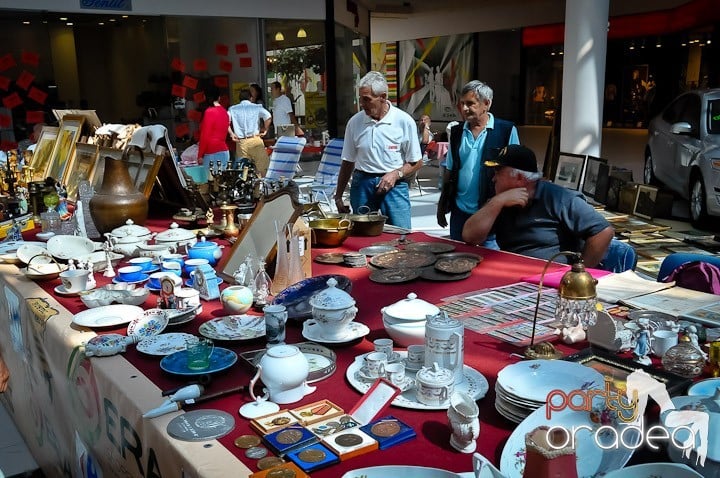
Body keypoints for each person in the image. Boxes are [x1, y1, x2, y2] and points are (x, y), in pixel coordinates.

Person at [462, 145, 614, 267]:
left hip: (550, 279)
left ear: (520, 178)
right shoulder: (500, 200)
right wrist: (496, 203)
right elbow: (469, 237)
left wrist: (580, 272)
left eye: (498, 173)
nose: (493, 179)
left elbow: (603, 232)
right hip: (512, 274)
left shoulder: (559, 198)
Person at [333, 71, 422, 229]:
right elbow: (347, 161)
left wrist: (397, 174)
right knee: (361, 233)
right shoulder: (355, 123)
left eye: (367, 99)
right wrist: (338, 195)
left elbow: (416, 161)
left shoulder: (403, 121)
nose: (362, 103)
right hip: (362, 184)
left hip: (395, 185)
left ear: (383, 97)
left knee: (401, 233)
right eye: (360, 99)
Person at [436, 80, 520, 243]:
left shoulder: (506, 131)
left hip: (490, 213)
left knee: (487, 262)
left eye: (470, 103)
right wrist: (442, 204)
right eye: (462, 104)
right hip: (459, 212)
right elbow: (450, 170)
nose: (464, 108)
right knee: (456, 261)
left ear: (486, 104)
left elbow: (514, 173)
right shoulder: (456, 132)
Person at [228, 89, 272, 175]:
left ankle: (245, 186)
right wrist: (265, 129)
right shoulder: (256, 107)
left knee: (243, 171)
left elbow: (225, 120)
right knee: (262, 168)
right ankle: (261, 186)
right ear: (251, 98)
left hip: (241, 142)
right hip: (255, 140)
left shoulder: (232, 109)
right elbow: (268, 116)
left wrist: (231, 134)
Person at [197, 86, 230, 172]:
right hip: (224, 151)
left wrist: (200, 155)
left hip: (212, 152)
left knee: (211, 182)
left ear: (205, 97)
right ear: (219, 97)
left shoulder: (209, 112)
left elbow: (205, 135)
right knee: (221, 182)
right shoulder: (224, 111)